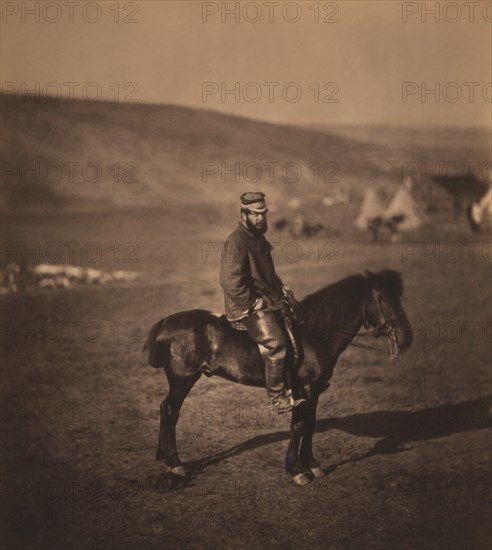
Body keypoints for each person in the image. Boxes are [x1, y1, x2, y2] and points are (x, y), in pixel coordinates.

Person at [219, 192, 305, 413]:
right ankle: (277, 397)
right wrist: (252, 303)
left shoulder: (258, 239)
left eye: (262, 214)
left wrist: (280, 287)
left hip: (270, 299)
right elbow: (230, 281)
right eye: (255, 214)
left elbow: (266, 275)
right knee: (277, 343)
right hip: (246, 307)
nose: (260, 218)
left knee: (298, 323)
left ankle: (296, 385)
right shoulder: (237, 241)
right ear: (243, 214)